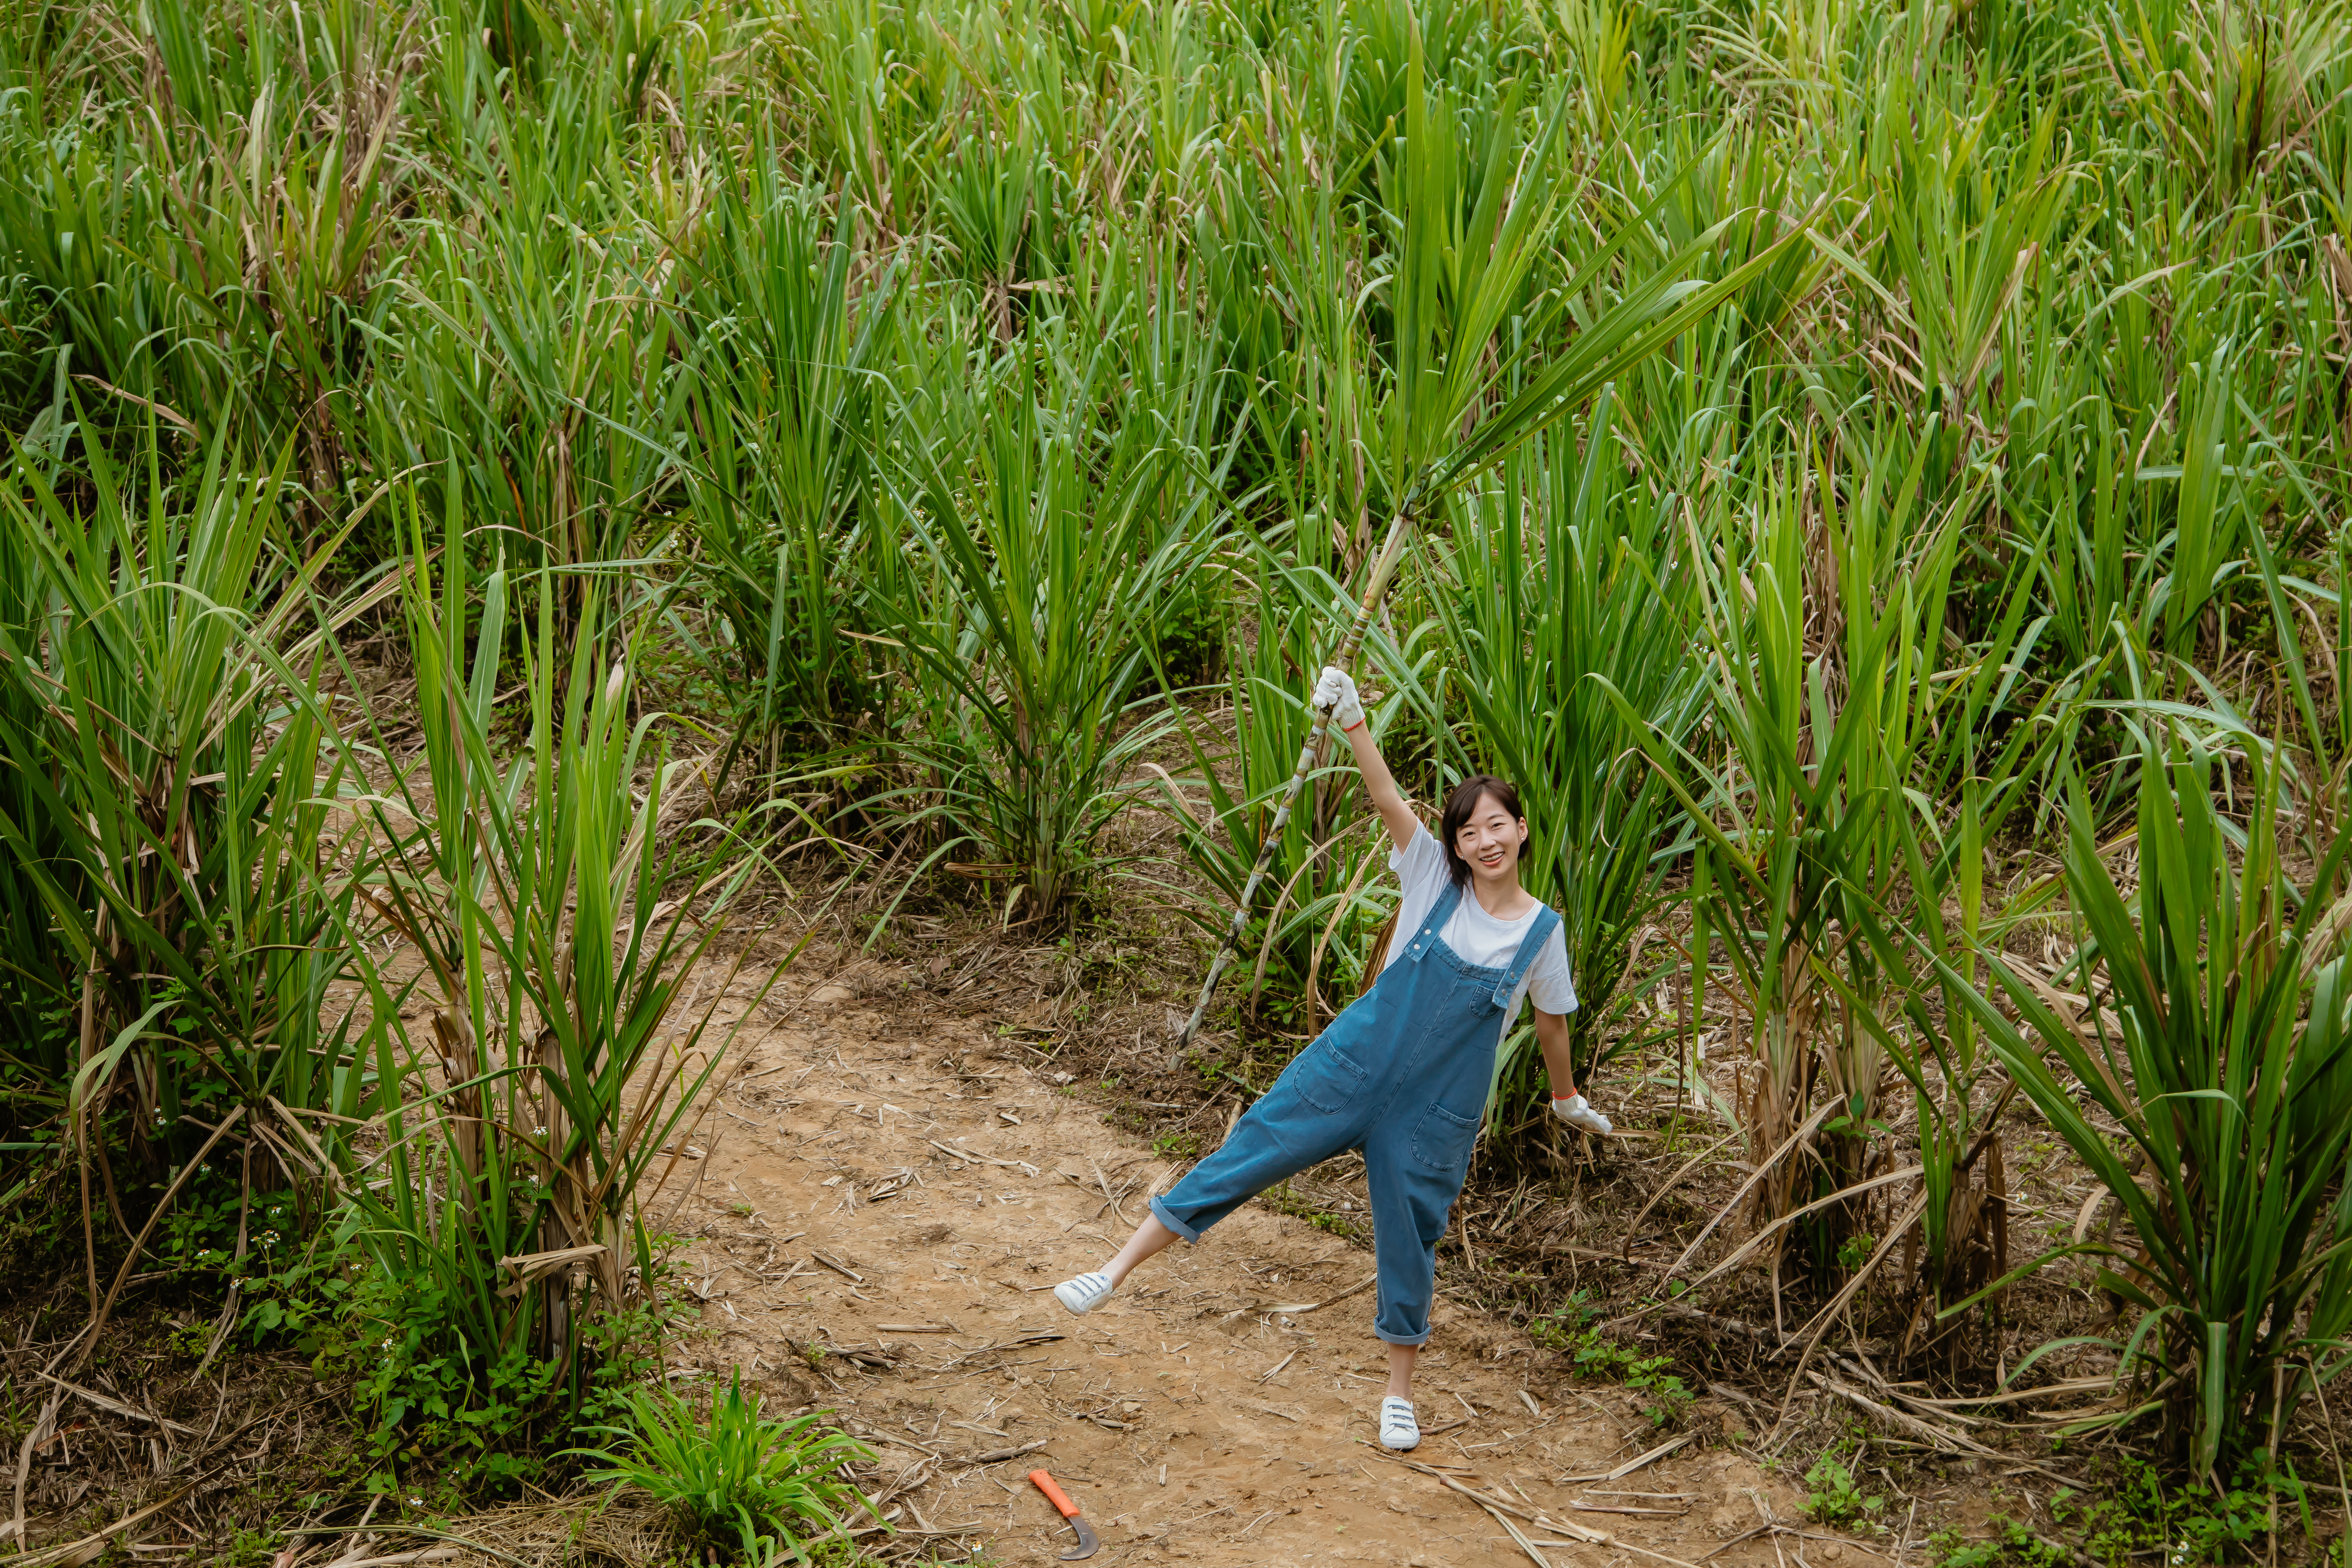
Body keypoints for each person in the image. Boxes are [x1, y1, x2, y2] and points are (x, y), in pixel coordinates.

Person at [1050, 666, 1611, 1451]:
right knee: (1250, 1149)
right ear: (1455, 843)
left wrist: (1563, 1098)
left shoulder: (1540, 931)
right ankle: (1111, 1272)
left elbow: (1552, 1024)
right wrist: (1353, 720)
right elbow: (1386, 799)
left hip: (1433, 1113)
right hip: (1350, 1067)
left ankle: (1397, 1396)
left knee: (1410, 1236)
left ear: (1521, 830)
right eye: (1468, 830)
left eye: (1497, 826)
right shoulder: (1429, 879)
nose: (1484, 841)